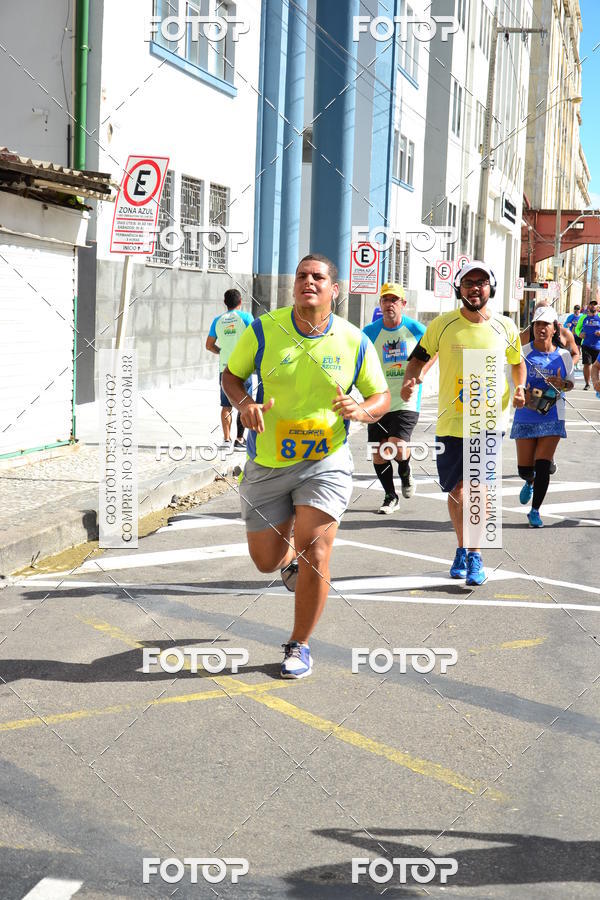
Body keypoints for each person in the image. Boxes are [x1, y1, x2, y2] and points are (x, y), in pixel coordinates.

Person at [222, 254, 389, 679]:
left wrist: (362, 409)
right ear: (294, 286)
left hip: (325, 462)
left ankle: (299, 644)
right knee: (266, 560)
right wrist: (244, 405)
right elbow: (231, 376)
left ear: (335, 290)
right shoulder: (264, 329)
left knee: (318, 551)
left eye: (318, 277)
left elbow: (380, 397)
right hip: (267, 463)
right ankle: (288, 559)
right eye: (301, 276)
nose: (308, 282)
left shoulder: (354, 341)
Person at [401, 261, 526, 586]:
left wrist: (521, 387)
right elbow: (418, 358)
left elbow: (517, 364)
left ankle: (475, 554)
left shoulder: (505, 327)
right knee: (456, 491)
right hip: (451, 423)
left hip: (488, 422)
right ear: (459, 288)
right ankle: (462, 547)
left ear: (491, 288)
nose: (475, 287)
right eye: (468, 282)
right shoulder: (442, 325)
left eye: (481, 283)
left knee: (476, 489)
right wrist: (411, 380)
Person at [363, 282, 436, 513]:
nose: (389, 304)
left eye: (394, 300)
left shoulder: (417, 330)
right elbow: (357, 360)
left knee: (396, 446)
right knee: (378, 453)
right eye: (385, 300)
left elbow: (435, 350)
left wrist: (421, 373)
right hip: (378, 399)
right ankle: (390, 496)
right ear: (380, 304)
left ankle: (404, 470)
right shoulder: (369, 332)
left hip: (407, 398)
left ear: (403, 304)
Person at [511, 306, 574, 528]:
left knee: (543, 463)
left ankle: (535, 511)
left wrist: (562, 384)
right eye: (537, 324)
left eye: (545, 324)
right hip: (526, 414)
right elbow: (511, 378)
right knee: (525, 469)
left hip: (553, 415)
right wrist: (520, 392)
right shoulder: (523, 351)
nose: (541, 328)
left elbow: (570, 384)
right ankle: (529, 481)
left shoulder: (564, 355)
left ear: (554, 328)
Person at [520, 300, 579, 475]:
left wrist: (566, 371)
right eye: (538, 314)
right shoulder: (525, 335)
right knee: (527, 464)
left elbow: (575, 353)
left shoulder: (565, 334)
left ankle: (547, 459)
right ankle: (531, 475)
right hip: (531, 394)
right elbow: (514, 358)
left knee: (543, 458)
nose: (541, 323)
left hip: (553, 392)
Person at [206, 289, 254, 449]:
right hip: (244, 367)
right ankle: (239, 439)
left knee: (226, 405)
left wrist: (222, 351)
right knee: (243, 403)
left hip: (225, 368)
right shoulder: (246, 318)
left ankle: (226, 441)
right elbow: (255, 339)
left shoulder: (217, 320)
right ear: (240, 301)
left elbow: (209, 345)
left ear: (225, 303)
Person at [574, 298, 600, 390]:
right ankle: (587, 384)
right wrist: (579, 334)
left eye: (595, 304)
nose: (593, 306)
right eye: (591, 304)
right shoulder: (583, 317)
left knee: (597, 365)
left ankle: (597, 383)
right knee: (587, 364)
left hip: (598, 346)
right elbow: (577, 328)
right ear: (589, 306)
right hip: (586, 344)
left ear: (597, 307)